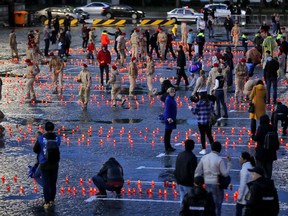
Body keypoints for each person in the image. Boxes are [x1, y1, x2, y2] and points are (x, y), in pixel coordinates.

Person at [195, 141, 232, 216]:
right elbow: (225, 174)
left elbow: (198, 171)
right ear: (219, 149)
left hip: (206, 183)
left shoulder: (204, 157)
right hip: (216, 184)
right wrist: (229, 163)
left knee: (207, 204)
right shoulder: (219, 159)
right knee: (217, 205)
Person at [33, 121, 61, 210]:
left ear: (45, 129)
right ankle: (52, 200)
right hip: (55, 163)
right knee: (53, 182)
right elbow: (58, 146)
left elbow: (35, 149)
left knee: (46, 183)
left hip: (44, 163)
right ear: (53, 129)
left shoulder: (41, 138)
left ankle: (47, 202)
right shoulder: (57, 138)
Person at [252, 114, 279, 179]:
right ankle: (268, 181)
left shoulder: (261, 127)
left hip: (262, 152)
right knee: (269, 168)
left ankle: (262, 182)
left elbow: (257, 138)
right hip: (271, 152)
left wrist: (253, 136)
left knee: (260, 168)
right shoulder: (272, 128)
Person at [174, 139, 197, 203]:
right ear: (193, 147)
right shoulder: (192, 157)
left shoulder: (180, 154)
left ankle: (182, 212)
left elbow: (177, 167)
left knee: (182, 199)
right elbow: (193, 171)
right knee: (189, 200)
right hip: (188, 182)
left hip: (179, 181)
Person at [236, 152, 255, 216]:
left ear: (245, 160)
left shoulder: (244, 169)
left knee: (239, 212)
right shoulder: (251, 166)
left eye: (240, 158)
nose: (239, 159)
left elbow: (243, 184)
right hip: (250, 195)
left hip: (244, 196)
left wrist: (239, 197)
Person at [163, 87, 177, 153]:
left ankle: (169, 146)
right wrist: (169, 118)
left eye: (174, 92)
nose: (174, 93)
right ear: (169, 93)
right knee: (167, 133)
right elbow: (167, 110)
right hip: (169, 118)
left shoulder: (171, 98)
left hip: (172, 116)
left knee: (169, 132)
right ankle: (167, 147)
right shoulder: (168, 99)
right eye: (172, 92)